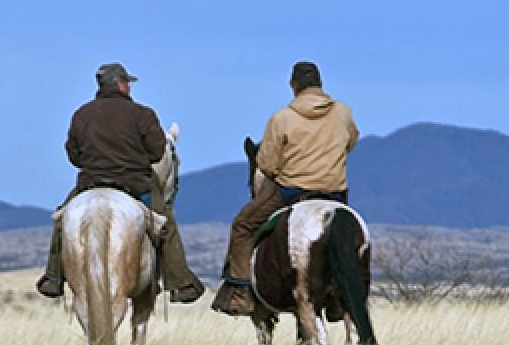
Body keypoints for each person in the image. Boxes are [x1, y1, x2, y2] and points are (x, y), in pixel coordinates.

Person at [36, 62, 205, 303]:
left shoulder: (81, 114)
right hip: (134, 183)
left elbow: (73, 155)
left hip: (91, 183)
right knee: (165, 224)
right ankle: (180, 282)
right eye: (127, 83)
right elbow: (157, 152)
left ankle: (53, 276)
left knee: (62, 220)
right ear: (121, 85)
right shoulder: (142, 114)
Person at [212, 61, 359, 316]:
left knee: (243, 225)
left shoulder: (282, 118)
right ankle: (339, 295)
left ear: (293, 87)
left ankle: (241, 291)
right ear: (320, 85)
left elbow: (267, 163)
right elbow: (351, 141)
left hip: (292, 192)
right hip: (335, 193)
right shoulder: (343, 113)